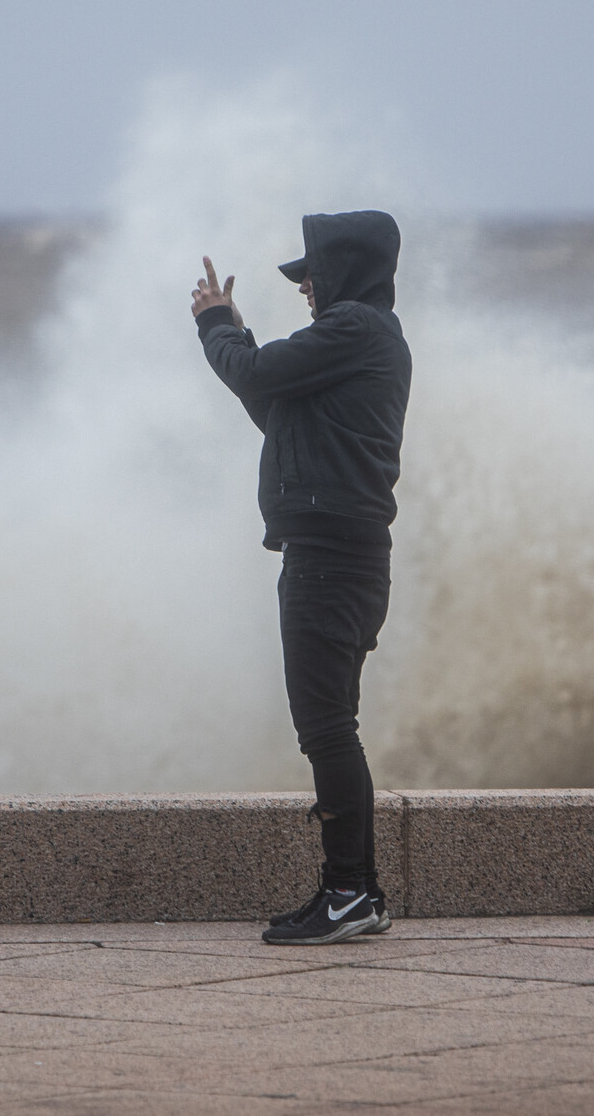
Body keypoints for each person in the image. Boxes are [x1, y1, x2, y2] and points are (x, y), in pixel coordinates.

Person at [190, 210, 412, 946]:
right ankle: (357, 892)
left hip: (331, 559)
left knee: (327, 730)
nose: (305, 287)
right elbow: (274, 408)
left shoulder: (356, 328)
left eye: (311, 273)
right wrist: (236, 334)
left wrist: (215, 326)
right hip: (339, 555)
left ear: (345, 270)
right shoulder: (363, 339)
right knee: (332, 727)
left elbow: (254, 374)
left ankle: (349, 891)